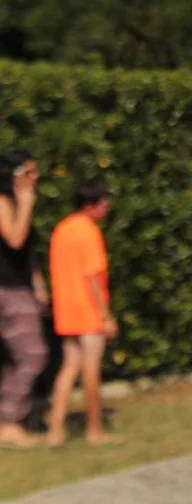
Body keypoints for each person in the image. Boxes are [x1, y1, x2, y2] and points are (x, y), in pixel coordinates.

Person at [46, 177, 122, 447]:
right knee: (91, 371)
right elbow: (92, 276)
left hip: (67, 310)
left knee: (69, 369)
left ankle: (56, 431)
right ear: (90, 205)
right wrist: (105, 315)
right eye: (104, 203)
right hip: (88, 311)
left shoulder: (63, 229)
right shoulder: (88, 233)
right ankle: (94, 430)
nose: (107, 207)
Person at [0, 150, 49, 450]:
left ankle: (10, 420)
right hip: (8, 291)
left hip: (20, 289)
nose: (35, 177)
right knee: (33, 355)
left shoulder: (15, 203)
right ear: (13, 176)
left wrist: (38, 284)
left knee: (17, 358)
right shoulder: (2, 202)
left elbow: (27, 252)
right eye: (29, 172)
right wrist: (27, 204)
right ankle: (9, 423)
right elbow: (15, 239)